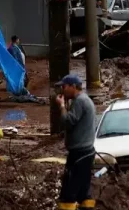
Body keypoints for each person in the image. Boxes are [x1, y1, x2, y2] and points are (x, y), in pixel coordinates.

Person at [55, 74, 96, 210]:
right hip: (87, 151)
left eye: (64, 87)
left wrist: (61, 106)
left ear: (73, 86)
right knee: (83, 190)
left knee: (69, 190)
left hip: (79, 153)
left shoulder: (80, 101)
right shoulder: (86, 100)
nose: (62, 90)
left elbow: (67, 122)